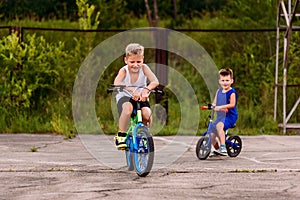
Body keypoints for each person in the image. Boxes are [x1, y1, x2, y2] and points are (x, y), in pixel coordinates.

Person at [113, 43, 159, 150]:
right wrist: (132, 90)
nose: (135, 65)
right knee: (128, 109)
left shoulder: (144, 68)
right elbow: (117, 82)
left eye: (139, 62)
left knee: (146, 114)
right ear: (126, 60)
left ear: (142, 59)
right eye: (132, 62)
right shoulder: (124, 70)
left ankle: (142, 134)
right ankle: (121, 134)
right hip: (126, 96)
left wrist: (146, 90)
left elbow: (155, 81)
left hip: (141, 97)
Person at [210, 68, 238, 156]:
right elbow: (214, 102)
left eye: (227, 80)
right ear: (219, 81)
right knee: (212, 134)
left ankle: (223, 147)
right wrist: (212, 106)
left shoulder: (232, 92)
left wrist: (221, 107)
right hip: (221, 116)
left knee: (219, 126)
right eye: (223, 80)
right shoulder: (218, 91)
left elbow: (232, 104)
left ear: (231, 81)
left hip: (230, 116)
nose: (225, 82)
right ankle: (217, 149)